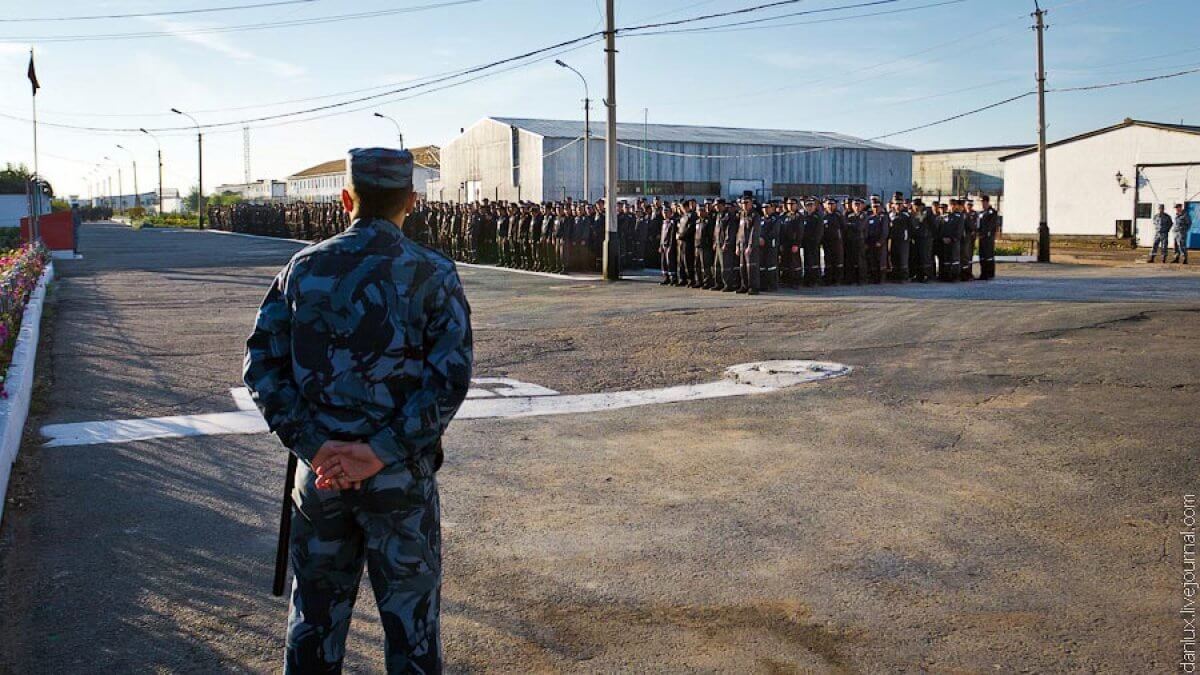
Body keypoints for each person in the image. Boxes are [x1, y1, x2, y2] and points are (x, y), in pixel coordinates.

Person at [243, 148, 474, 673]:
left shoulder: (303, 268)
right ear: (411, 202)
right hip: (400, 484)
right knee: (412, 632)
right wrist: (379, 451)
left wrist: (316, 446)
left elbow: (261, 365)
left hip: (320, 482)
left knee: (313, 626)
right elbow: (450, 378)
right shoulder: (432, 273)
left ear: (345, 198)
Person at [736, 196, 761, 295]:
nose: (744, 205)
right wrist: (737, 245)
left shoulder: (755, 215)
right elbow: (739, 231)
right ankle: (744, 285)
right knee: (742, 267)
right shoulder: (742, 214)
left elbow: (754, 232)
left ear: (751, 203)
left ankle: (753, 287)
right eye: (743, 203)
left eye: (747, 203)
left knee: (752, 267)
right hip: (742, 243)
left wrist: (750, 245)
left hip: (750, 245)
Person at [977, 195, 999, 280]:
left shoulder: (992, 212)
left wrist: (985, 234)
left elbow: (991, 225)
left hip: (988, 238)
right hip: (982, 238)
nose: (983, 203)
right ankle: (983, 273)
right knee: (982, 256)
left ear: (987, 202)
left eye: (984, 202)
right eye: (982, 202)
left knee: (988, 256)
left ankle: (989, 273)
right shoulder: (981, 213)